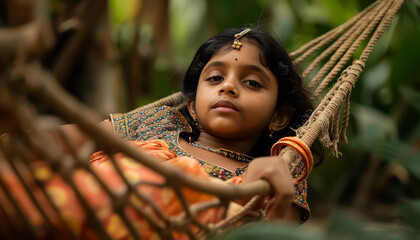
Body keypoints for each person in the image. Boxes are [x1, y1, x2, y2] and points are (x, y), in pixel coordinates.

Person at [0, 26, 317, 239]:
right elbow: (72, 139)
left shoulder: (274, 170)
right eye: (215, 78)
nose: (229, 87)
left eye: (252, 83)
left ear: (278, 117)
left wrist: (259, 183)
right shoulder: (158, 122)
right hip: (67, 206)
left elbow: (271, 231)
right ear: (192, 107)